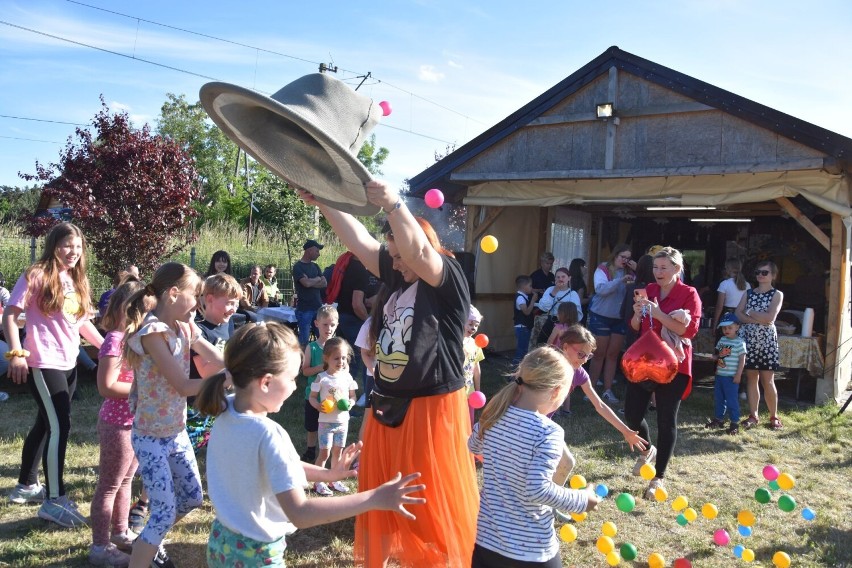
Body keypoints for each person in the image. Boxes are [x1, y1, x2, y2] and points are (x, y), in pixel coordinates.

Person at [298, 181, 479, 567]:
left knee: (426, 500)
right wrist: (324, 199)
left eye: (399, 255)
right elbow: (360, 242)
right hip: (386, 405)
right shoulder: (400, 276)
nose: (394, 263)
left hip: (431, 409)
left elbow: (416, 250)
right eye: (392, 256)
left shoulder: (446, 277)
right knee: (381, 493)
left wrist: (393, 204)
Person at [193, 321, 426, 568]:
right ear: (265, 382)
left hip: (221, 543)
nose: (295, 386)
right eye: (292, 379)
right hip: (256, 555)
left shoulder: (225, 410)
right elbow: (300, 512)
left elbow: (281, 465)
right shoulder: (268, 434)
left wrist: (328, 474)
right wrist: (374, 498)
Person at [123, 262, 225, 568]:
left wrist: (239, 367)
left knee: (192, 497)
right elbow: (182, 385)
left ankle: (150, 540)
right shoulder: (154, 333)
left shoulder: (187, 327)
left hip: (176, 432)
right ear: (173, 293)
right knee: (163, 513)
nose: (198, 301)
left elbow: (217, 360)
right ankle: (148, 547)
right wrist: (225, 381)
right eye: (195, 294)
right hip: (151, 437)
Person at [3, 222, 104, 526]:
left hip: (69, 362)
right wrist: (17, 354)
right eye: (66, 245)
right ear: (53, 245)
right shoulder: (36, 274)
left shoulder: (74, 278)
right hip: (43, 362)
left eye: (77, 246)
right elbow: (11, 313)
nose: (72, 252)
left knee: (45, 424)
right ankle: (55, 501)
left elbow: (81, 323)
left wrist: (112, 348)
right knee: (61, 426)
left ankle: (27, 484)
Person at [467, 346, 600, 567]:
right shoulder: (549, 432)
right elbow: (537, 489)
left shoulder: (494, 416)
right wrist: (582, 500)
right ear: (556, 391)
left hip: (486, 542)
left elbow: (473, 446)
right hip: (530, 551)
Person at [628, 246, 701, 499]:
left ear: (677, 269)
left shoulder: (689, 294)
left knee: (666, 418)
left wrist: (658, 313)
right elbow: (636, 326)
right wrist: (638, 314)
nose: (658, 272)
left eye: (663, 268)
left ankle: (658, 478)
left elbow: (688, 332)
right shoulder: (648, 290)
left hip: (675, 364)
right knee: (632, 415)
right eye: (655, 267)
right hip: (646, 360)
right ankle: (648, 450)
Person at [89, 276, 144, 567]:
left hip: (133, 422)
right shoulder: (115, 340)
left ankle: (121, 533)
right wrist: (142, 389)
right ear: (129, 309)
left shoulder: (135, 341)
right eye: (145, 311)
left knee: (126, 482)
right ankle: (100, 546)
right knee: (109, 485)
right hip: (117, 425)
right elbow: (107, 386)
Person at [554, 325, 649, 450]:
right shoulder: (549, 365)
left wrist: (626, 431)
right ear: (565, 347)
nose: (584, 361)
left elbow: (600, 405)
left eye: (588, 356)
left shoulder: (579, 373)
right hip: (527, 420)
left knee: (566, 463)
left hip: (541, 424)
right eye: (581, 354)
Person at [187, 273, 241, 450]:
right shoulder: (198, 330)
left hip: (219, 399)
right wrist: (236, 370)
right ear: (209, 299)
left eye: (236, 303)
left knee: (220, 447)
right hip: (196, 404)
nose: (234, 308)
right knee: (187, 448)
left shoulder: (227, 324)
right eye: (229, 302)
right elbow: (205, 371)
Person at [735, 261, 784, 430]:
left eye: (765, 272)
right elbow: (737, 314)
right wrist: (757, 318)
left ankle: (774, 416)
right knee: (751, 377)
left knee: (768, 379)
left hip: (766, 341)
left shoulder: (777, 294)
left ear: (773, 275)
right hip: (749, 340)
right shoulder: (748, 293)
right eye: (758, 272)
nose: (760, 275)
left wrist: (749, 312)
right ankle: (753, 415)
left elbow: (770, 318)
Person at [587, 245, 637, 404]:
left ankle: (608, 390)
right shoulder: (603, 269)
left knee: (613, 355)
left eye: (628, 258)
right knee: (599, 354)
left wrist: (639, 271)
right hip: (601, 315)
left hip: (619, 317)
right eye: (622, 257)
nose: (625, 261)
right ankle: (591, 389)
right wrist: (620, 281)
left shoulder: (631, 271)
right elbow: (601, 290)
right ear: (615, 256)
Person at [309, 337, 359, 496]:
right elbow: (312, 397)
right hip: (325, 423)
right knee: (324, 453)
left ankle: (334, 479)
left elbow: (353, 397)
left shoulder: (348, 377)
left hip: (342, 422)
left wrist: (351, 403)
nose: (341, 361)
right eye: (336, 358)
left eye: (344, 358)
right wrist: (318, 406)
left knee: (338, 453)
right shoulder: (322, 378)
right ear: (326, 358)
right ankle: (319, 481)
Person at [300, 304, 339, 464]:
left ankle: (329, 450)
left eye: (332, 325)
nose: (328, 328)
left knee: (329, 424)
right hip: (313, 396)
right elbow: (305, 371)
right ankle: (310, 450)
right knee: (312, 425)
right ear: (316, 324)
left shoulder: (338, 347)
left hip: (331, 395)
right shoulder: (312, 347)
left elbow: (345, 368)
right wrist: (320, 368)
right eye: (325, 324)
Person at [329, 252, 372, 385]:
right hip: (353, 319)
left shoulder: (345, 266)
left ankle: (333, 386)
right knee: (357, 357)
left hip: (340, 316)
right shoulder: (361, 271)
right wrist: (368, 321)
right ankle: (348, 390)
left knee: (340, 356)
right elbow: (357, 304)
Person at [707, 313, 747, 434]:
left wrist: (738, 375)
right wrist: (714, 357)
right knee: (719, 399)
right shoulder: (722, 340)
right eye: (724, 328)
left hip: (731, 377)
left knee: (731, 400)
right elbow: (721, 355)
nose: (726, 330)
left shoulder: (740, 343)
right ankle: (719, 419)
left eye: (730, 327)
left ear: (737, 327)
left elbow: (742, 360)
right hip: (720, 375)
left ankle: (734, 422)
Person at [533, 267, 582, 347]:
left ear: (569, 278)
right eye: (558, 277)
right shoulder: (550, 290)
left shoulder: (573, 294)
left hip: (566, 325)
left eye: (563, 277)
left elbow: (578, 314)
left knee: (561, 348)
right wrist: (554, 292)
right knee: (542, 346)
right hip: (551, 322)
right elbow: (543, 307)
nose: (560, 279)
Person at [293, 239, 327, 346]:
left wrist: (311, 281)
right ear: (309, 251)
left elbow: (324, 283)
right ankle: (302, 361)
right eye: (317, 251)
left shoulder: (316, 266)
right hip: (304, 309)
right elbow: (305, 284)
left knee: (322, 338)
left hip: (318, 308)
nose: (319, 254)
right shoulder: (298, 267)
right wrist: (317, 279)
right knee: (304, 340)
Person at [463, 305, 485, 426]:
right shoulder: (453, 343)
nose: (473, 328)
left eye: (476, 325)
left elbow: (476, 368)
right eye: (471, 324)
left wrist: (477, 390)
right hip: (456, 391)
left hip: (469, 393)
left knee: (468, 423)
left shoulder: (475, 344)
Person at [712, 259, 750, 330]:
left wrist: (714, 325)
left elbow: (719, 307)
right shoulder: (747, 285)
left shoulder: (724, 284)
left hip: (728, 317)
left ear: (727, 269)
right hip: (742, 317)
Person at [512, 275, 538, 366]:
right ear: (524, 287)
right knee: (521, 350)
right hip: (522, 327)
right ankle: (513, 373)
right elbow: (526, 312)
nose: (532, 288)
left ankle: (519, 372)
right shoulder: (520, 298)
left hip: (525, 327)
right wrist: (533, 301)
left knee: (524, 350)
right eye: (530, 286)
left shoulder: (524, 296)